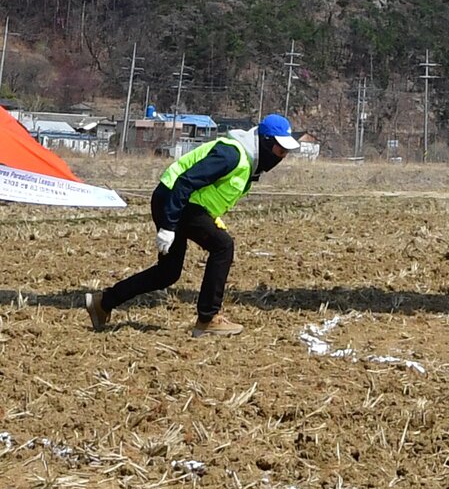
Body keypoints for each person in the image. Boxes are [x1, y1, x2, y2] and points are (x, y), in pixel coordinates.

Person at [84, 114, 300, 338]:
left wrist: (212, 219)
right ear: (265, 142)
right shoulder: (232, 154)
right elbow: (185, 182)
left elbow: (209, 194)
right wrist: (168, 225)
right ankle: (208, 318)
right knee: (223, 246)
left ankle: (103, 302)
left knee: (167, 274)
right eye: (280, 150)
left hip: (183, 203)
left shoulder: (247, 161)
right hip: (175, 200)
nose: (281, 156)